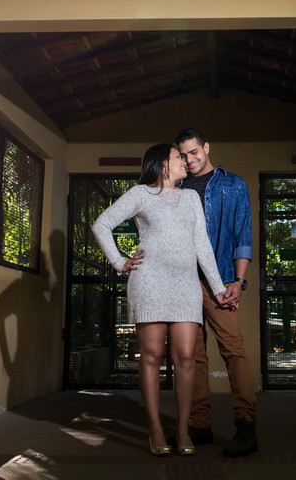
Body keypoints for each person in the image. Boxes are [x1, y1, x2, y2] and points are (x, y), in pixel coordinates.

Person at [91, 143, 229, 456]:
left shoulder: (191, 197)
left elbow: (203, 247)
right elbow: (101, 224)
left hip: (185, 285)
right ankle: (155, 430)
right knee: (151, 356)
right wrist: (119, 261)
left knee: (185, 358)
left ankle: (182, 432)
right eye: (179, 156)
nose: (185, 160)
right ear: (162, 164)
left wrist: (218, 288)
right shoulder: (140, 194)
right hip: (149, 282)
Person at [176, 127, 259, 457]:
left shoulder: (233, 184)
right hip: (182, 284)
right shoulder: (176, 188)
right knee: (192, 356)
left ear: (207, 148)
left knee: (233, 351)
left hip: (221, 281)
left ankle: (247, 425)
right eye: (183, 155)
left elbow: (242, 234)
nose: (190, 160)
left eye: (194, 152)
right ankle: (200, 424)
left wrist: (238, 281)